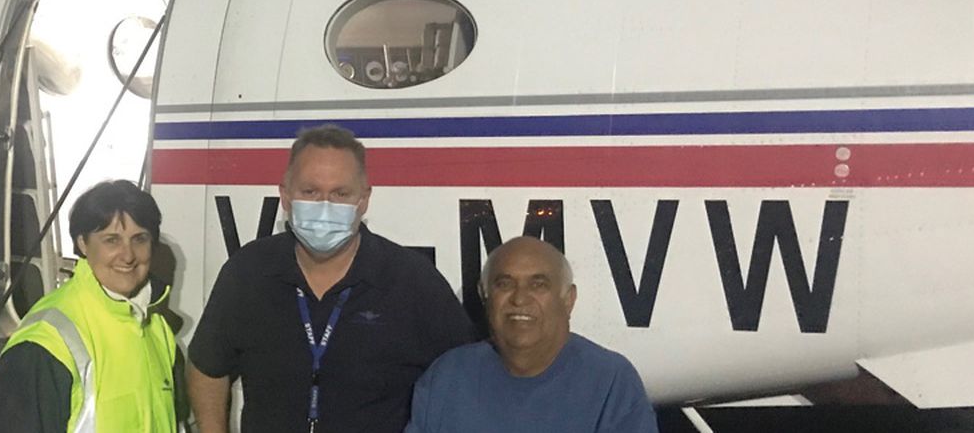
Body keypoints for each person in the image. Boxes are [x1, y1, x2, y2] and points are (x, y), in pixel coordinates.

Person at [187, 124, 479, 433]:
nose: (324, 207)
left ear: (363, 200)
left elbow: (467, 377)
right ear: (285, 196)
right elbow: (207, 367)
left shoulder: (412, 280)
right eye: (310, 192)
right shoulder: (247, 272)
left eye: (340, 193)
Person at [404, 237, 656, 433]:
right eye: (504, 283)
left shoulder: (611, 382)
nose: (520, 298)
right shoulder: (447, 378)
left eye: (538, 285)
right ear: (485, 296)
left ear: (568, 300)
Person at [0, 180, 183, 433]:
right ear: (82, 244)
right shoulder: (45, 341)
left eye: (139, 239)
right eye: (111, 240)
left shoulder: (157, 329)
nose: (128, 255)